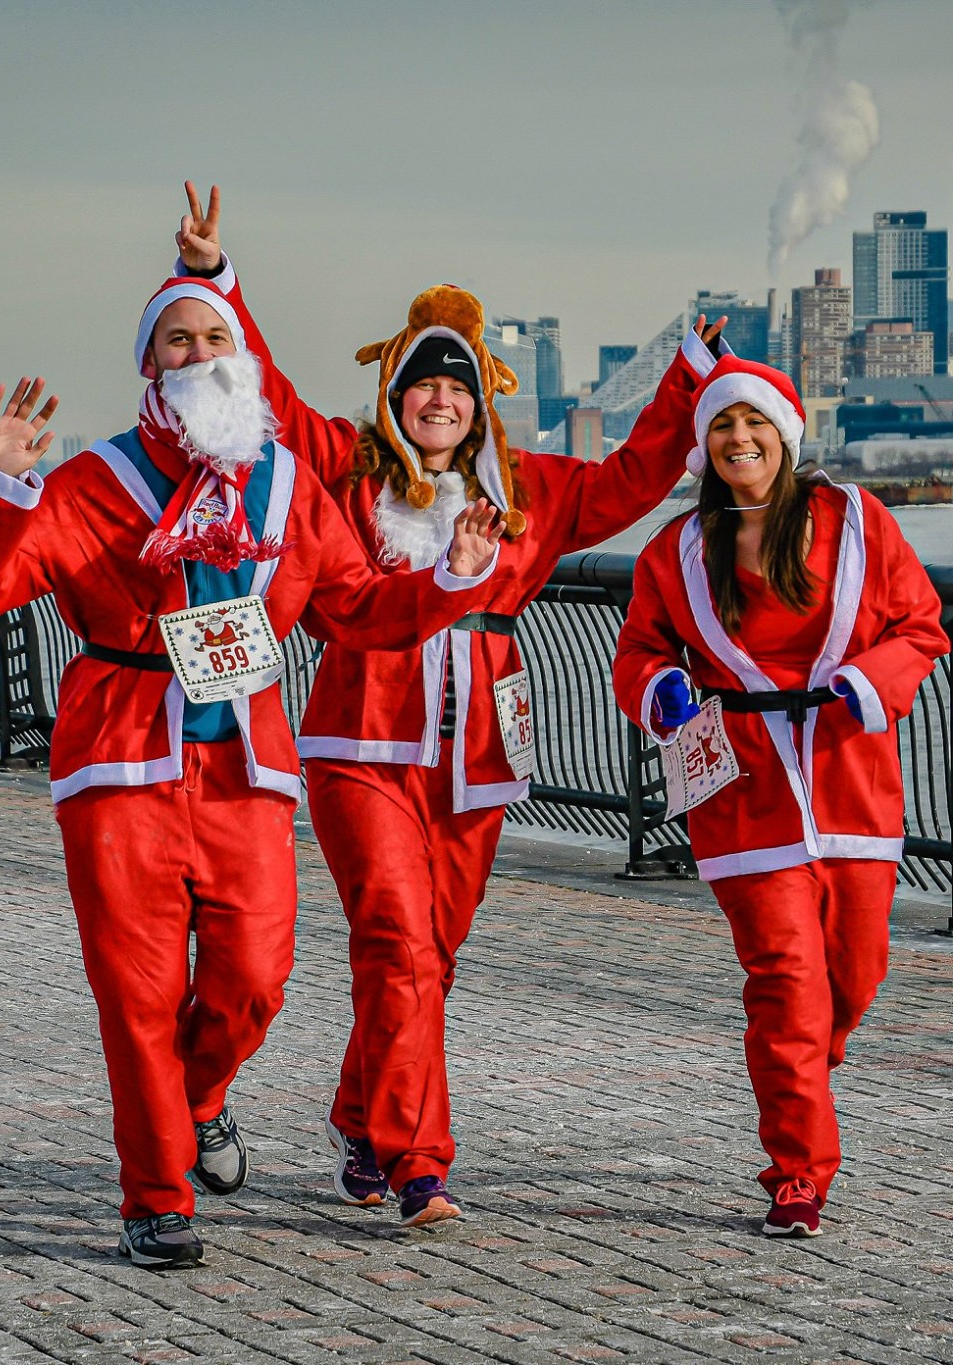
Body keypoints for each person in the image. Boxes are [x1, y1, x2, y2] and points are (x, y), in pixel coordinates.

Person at [0, 268, 506, 1269]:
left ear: (241, 356)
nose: (200, 355)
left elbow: (359, 606)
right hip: (121, 766)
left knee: (254, 981)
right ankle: (156, 1197)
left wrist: (453, 575)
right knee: (138, 993)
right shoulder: (89, 485)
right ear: (149, 364)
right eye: (178, 342)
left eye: (215, 337)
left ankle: (195, 1103)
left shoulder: (288, 487)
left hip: (247, 767)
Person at [170, 183, 716, 1226]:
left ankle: (361, 1116)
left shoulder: (530, 494)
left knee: (436, 952)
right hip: (361, 739)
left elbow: (638, 480)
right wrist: (213, 279)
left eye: (455, 389)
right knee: (394, 939)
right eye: (422, 385)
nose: (439, 402)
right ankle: (420, 1164)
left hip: (477, 744)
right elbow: (269, 397)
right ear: (395, 395)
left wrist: (689, 377)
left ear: (479, 404)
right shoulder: (341, 468)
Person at [609, 353, 949, 1238]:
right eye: (721, 424)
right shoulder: (677, 551)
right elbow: (638, 651)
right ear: (705, 443)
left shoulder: (861, 524)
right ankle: (797, 1170)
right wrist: (662, 689)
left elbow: (921, 624)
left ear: (786, 434)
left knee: (855, 976)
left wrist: (869, 681)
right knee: (787, 982)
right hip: (745, 790)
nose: (738, 438)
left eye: (753, 422)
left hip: (850, 778)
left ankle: (803, 1069)